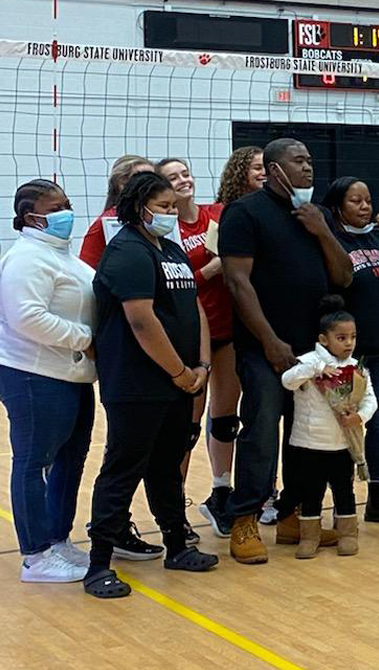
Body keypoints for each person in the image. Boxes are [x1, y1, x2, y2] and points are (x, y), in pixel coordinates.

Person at [218, 137, 354, 563]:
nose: (308, 168)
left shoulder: (317, 216)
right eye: (298, 161)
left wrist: (322, 230)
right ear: (275, 170)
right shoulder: (243, 213)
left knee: (306, 436)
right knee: (261, 431)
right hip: (265, 349)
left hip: (314, 351)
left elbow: (344, 277)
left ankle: (293, 513)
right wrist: (269, 341)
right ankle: (245, 520)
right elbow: (238, 282)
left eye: (310, 161)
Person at [84, 171, 218, 598]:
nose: (172, 214)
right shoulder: (127, 251)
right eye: (163, 207)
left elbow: (193, 304)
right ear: (139, 207)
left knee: (166, 467)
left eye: (174, 207)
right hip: (138, 383)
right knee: (124, 469)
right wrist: (179, 372)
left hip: (180, 381)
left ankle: (176, 545)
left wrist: (202, 364)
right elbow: (141, 319)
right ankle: (98, 564)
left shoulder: (173, 249)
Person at [0, 180, 95, 583]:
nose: (67, 211)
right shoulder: (27, 258)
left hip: (71, 373)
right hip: (30, 373)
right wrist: (86, 340)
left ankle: (57, 538)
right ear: (33, 215)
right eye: (58, 206)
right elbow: (26, 316)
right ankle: (35, 556)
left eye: (67, 202)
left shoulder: (62, 255)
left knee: (71, 458)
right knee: (34, 462)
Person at [157, 158, 239, 545]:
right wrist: (207, 272)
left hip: (227, 328)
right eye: (172, 178)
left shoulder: (216, 214)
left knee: (226, 418)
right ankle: (174, 508)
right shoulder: (165, 229)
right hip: (189, 337)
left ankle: (221, 491)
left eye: (184, 173)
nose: (182, 180)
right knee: (186, 428)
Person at [321, 177, 379, 526]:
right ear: (337, 207)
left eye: (368, 200)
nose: (364, 206)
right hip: (348, 357)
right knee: (343, 429)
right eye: (355, 201)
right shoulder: (332, 242)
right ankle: (341, 502)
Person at [279, 296, 376, 558]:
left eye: (352, 337)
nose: (349, 343)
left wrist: (360, 418)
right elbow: (287, 381)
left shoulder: (358, 368)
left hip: (342, 444)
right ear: (324, 340)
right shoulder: (308, 362)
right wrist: (317, 368)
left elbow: (370, 400)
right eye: (341, 338)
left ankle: (347, 533)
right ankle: (310, 537)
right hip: (310, 444)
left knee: (344, 490)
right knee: (312, 492)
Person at [79, 155, 155, 269]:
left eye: (153, 178)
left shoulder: (157, 219)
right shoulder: (103, 225)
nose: (152, 184)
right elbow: (86, 271)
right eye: (143, 178)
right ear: (122, 183)